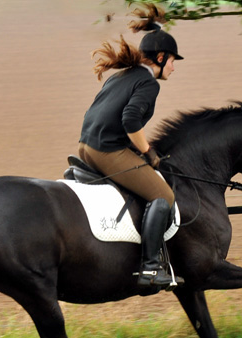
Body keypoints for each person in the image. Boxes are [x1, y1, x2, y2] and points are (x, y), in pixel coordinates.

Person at [78, 27, 184, 289]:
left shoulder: (122, 76)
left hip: (86, 147)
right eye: (172, 60)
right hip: (107, 151)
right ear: (160, 57)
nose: (174, 67)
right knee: (164, 196)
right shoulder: (148, 83)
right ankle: (150, 270)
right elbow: (130, 120)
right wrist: (147, 150)